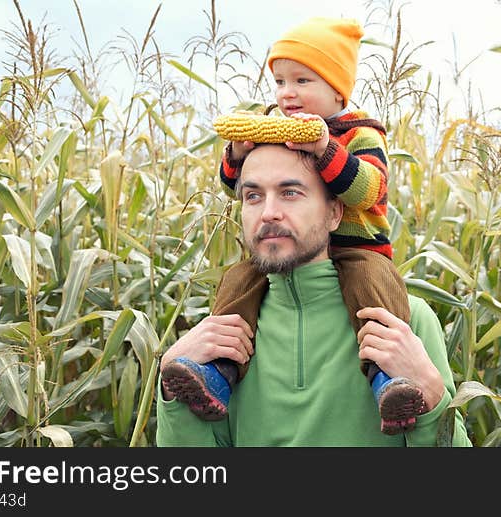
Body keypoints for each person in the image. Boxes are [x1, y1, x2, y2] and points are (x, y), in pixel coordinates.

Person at [161, 17, 424, 435]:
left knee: (374, 289)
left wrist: (324, 149)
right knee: (237, 280)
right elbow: (232, 181)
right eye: (280, 81)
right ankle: (218, 373)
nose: (287, 93)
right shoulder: (272, 126)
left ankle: (388, 380)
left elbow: (369, 190)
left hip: (359, 250)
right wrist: (238, 150)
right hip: (278, 263)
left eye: (302, 80)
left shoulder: (360, 133)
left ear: (338, 90)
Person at [156, 143, 472, 446]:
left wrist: (430, 390)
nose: (268, 213)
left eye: (290, 193)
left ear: (334, 212)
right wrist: (171, 379)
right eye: (253, 196)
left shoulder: (403, 320)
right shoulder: (225, 331)